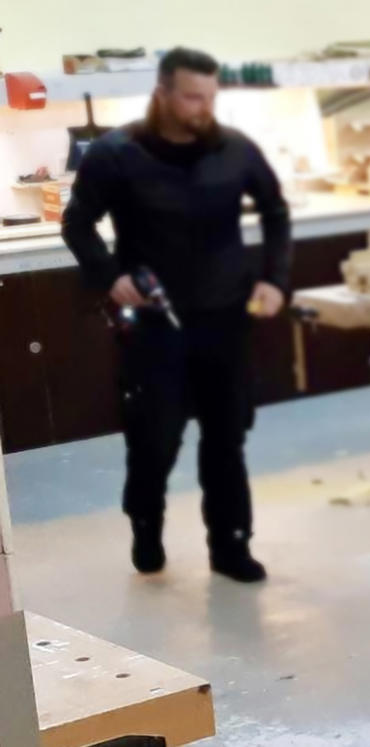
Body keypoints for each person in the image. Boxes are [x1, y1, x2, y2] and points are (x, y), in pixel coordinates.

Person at [60, 47, 291, 583]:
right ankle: (146, 524)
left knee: (226, 437)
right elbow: (77, 223)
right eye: (191, 96)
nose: (203, 107)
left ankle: (231, 547)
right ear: (162, 94)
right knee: (155, 438)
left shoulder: (235, 150)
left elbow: (276, 213)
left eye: (210, 97)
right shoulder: (116, 154)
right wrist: (107, 273)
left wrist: (273, 281)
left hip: (225, 318)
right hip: (154, 324)